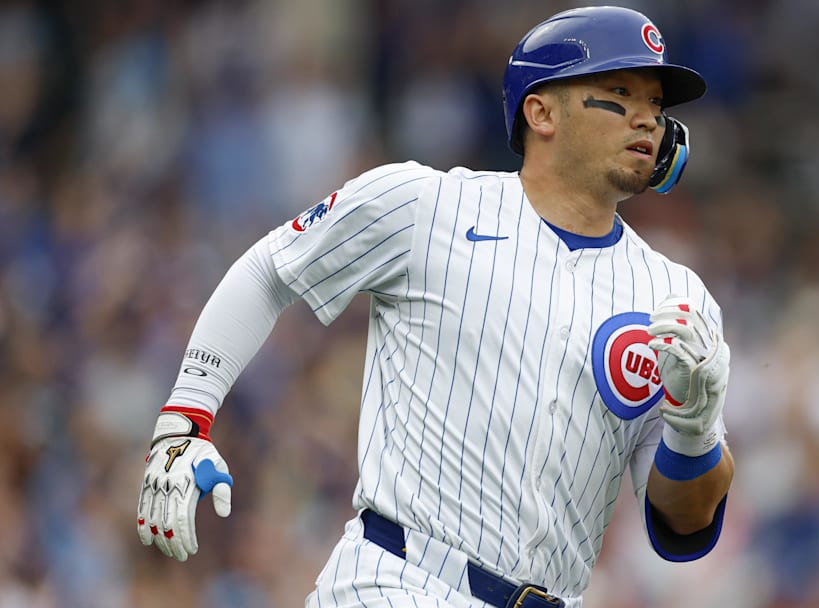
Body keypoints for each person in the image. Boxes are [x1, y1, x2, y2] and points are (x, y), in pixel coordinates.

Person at [136, 6, 734, 607]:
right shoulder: (428, 204)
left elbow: (683, 525)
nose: (647, 117)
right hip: (399, 579)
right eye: (620, 92)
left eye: (656, 103)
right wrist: (185, 421)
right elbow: (270, 271)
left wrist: (695, 428)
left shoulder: (675, 297)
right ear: (542, 112)